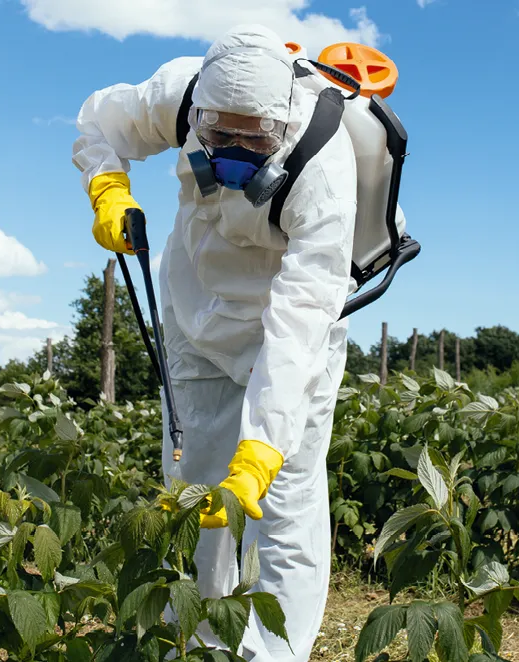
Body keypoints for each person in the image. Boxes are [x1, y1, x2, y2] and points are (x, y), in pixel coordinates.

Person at [72, 23, 357, 662]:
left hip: (285, 329)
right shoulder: (178, 91)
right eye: (216, 133)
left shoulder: (324, 169)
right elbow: (99, 122)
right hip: (194, 310)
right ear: (198, 110)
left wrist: (260, 451)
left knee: (281, 505)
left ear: (282, 123)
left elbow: (300, 323)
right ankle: (193, 641)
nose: (230, 148)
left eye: (251, 137)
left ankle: (275, 654)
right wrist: (107, 187)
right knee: (194, 484)